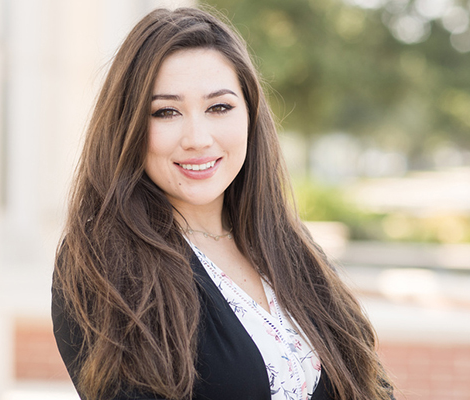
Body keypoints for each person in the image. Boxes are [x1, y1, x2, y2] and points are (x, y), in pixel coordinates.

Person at [52, 7, 394, 400]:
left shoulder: (286, 241)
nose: (197, 138)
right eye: (166, 111)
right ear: (127, 126)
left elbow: (371, 384)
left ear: (249, 114)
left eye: (219, 107)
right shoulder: (103, 263)